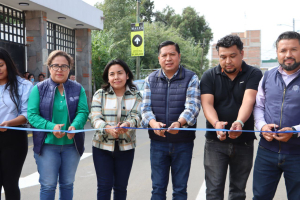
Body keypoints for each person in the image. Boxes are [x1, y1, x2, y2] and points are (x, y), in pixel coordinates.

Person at [200, 35, 262, 200]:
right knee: (213, 192)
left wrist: (239, 122)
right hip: (215, 142)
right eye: (223, 57)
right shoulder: (209, 76)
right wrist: (216, 123)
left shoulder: (254, 73)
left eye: (232, 56)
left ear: (242, 53)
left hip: (244, 142)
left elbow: (249, 100)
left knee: (238, 192)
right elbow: (207, 104)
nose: (227, 61)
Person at [141, 41, 201, 200]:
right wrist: (153, 124)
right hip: (158, 143)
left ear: (179, 56)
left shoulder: (191, 78)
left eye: (172, 54)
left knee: (180, 190)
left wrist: (180, 123)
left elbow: (193, 106)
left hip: (183, 143)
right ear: (159, 58)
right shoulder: (150, 79)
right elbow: (145, 109)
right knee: (158, 189)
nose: (168, 58)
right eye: (164, 55)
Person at [27, 50, 89, 200]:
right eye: (55, 66)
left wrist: (75, 125)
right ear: (49, 68)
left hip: (71, 145)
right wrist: (51, 127)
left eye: (64, 66)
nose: (59, 69)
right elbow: (32, 115)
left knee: (67, 184)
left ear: (69, 69)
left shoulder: (78, 88)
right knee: (48, 185)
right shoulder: (38, 89)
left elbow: (83, 111)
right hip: (47, 145)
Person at [253, 31, 300, 200]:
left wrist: (295, 130)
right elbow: (258, 107)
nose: (288, 55)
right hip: (267, 151)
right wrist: (262, 126)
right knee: (260, 197)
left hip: (297, 154)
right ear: (277, 53)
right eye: (283, 50)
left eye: (294, 49)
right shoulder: (267, 76)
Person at [90, 59, 142, 200]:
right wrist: (107, 128)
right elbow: (94, 118)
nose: (116, 77)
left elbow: (137, 116)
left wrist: (128, 125)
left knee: (120, 188)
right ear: (108, 77)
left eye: (120, 73)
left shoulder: (136, 95)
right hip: (102, 147)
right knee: (104, 186)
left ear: (127, 75)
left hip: (126, 147)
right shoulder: (100, 94)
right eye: (112, 74)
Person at [0, 47, 32, 200]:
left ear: (8, 64)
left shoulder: (23, 85)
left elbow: (27, 114)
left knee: (10, 183)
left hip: (13, 138)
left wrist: (9, 123)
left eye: (0, 65)